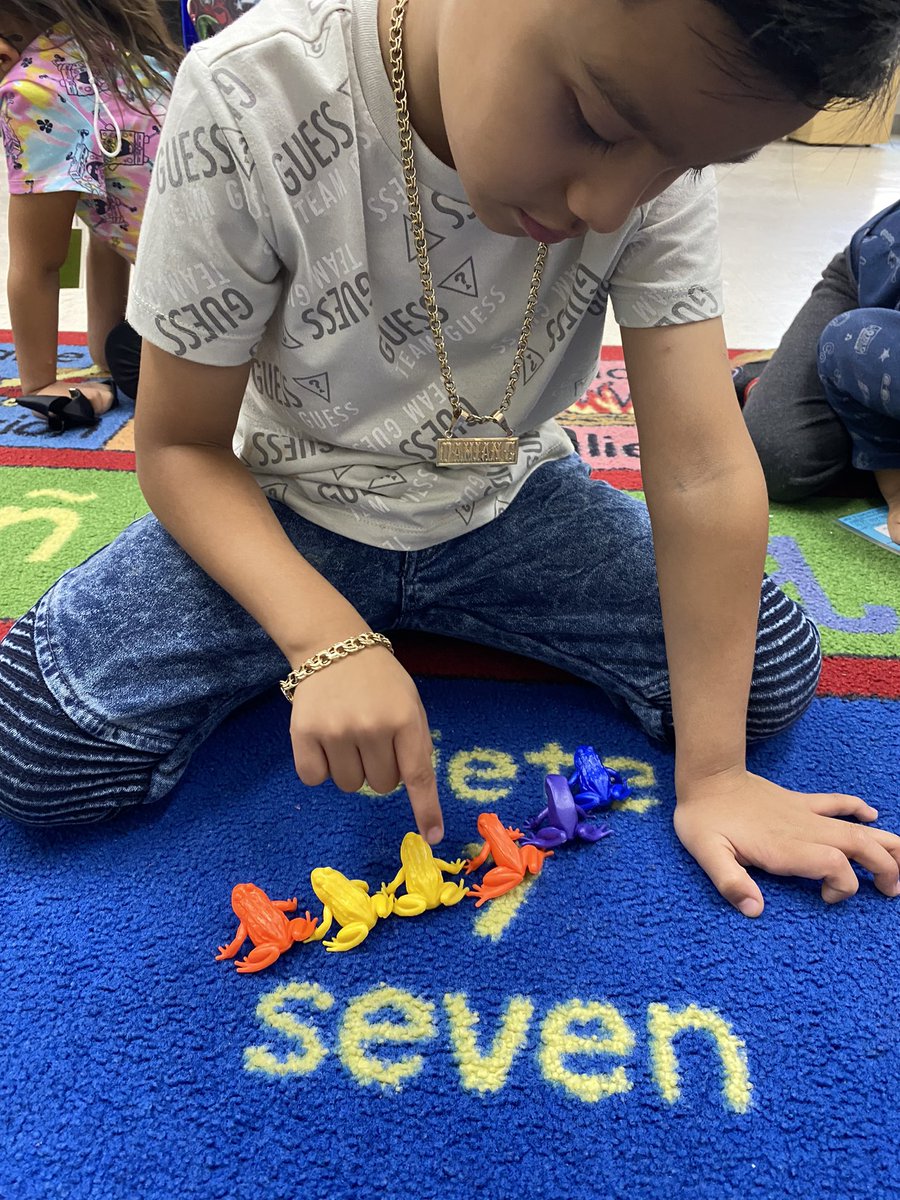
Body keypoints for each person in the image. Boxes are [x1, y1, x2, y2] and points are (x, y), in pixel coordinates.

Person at [2, 0, 900, 920]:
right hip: (286, 500)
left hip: (506, 499)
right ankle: (376, 627)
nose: (606, 203)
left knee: (768, 672)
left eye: (683, 162)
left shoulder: (655, 144)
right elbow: (182, 445)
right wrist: (325, 641)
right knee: (42, 745)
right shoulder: (250, 89)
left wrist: (715, 776)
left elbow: (703, 469)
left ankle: (423, 621)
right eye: (593, 122)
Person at [0, 1, 179, 430]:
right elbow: (111, 216)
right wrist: (103, 350)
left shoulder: (34, 89)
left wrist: (42, 385)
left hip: (228, 316)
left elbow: (39, 262)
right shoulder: (132, 52)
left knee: (142, 365)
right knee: (124, 352)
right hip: (283, 288)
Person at [738, 201, 900, 543]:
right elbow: (850, 343)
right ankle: (772, 376)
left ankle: (828, 384)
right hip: (867, 287)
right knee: (781, 456)